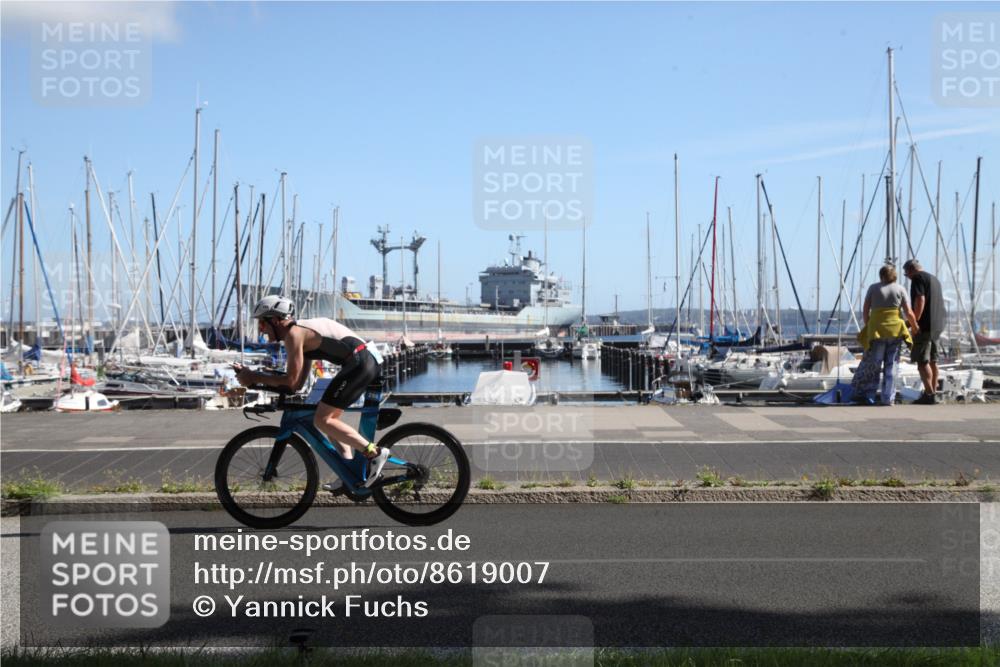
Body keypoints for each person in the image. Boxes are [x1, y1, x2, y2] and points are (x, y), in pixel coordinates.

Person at [234, 295, 389, 487]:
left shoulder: (294, 334)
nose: (260, 329)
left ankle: (374, 453)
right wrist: (259, 378)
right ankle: (348, 471)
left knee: (323, 419)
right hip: (362, 362)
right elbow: (296, 384)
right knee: (326, 418)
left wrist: (254, 377)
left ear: (274, 320)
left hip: (359, 362)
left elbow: (290, 382)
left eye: (262, 324)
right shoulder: (300, 334)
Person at [851, 264, 919, 405]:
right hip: (895, 330)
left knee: (873, 365)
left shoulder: (873, 288)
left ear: (881, 275)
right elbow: (909, 312)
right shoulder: (900, 289)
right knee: (891, 366)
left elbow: (866, 309)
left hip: (877, 330)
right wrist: (915, 327)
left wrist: (868, 324)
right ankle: (888, 398)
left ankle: (869, 395)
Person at [903, 259, 946, 405]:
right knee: (933, 361)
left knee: (922, 361)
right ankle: (933, 393)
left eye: (906, 274)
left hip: (925, 325)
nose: (907, 277)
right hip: (938, 323)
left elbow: (920, 299)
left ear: (911, 270)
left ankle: (928, 394)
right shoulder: (934, 279)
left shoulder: (917, 278)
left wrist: (914, 322)